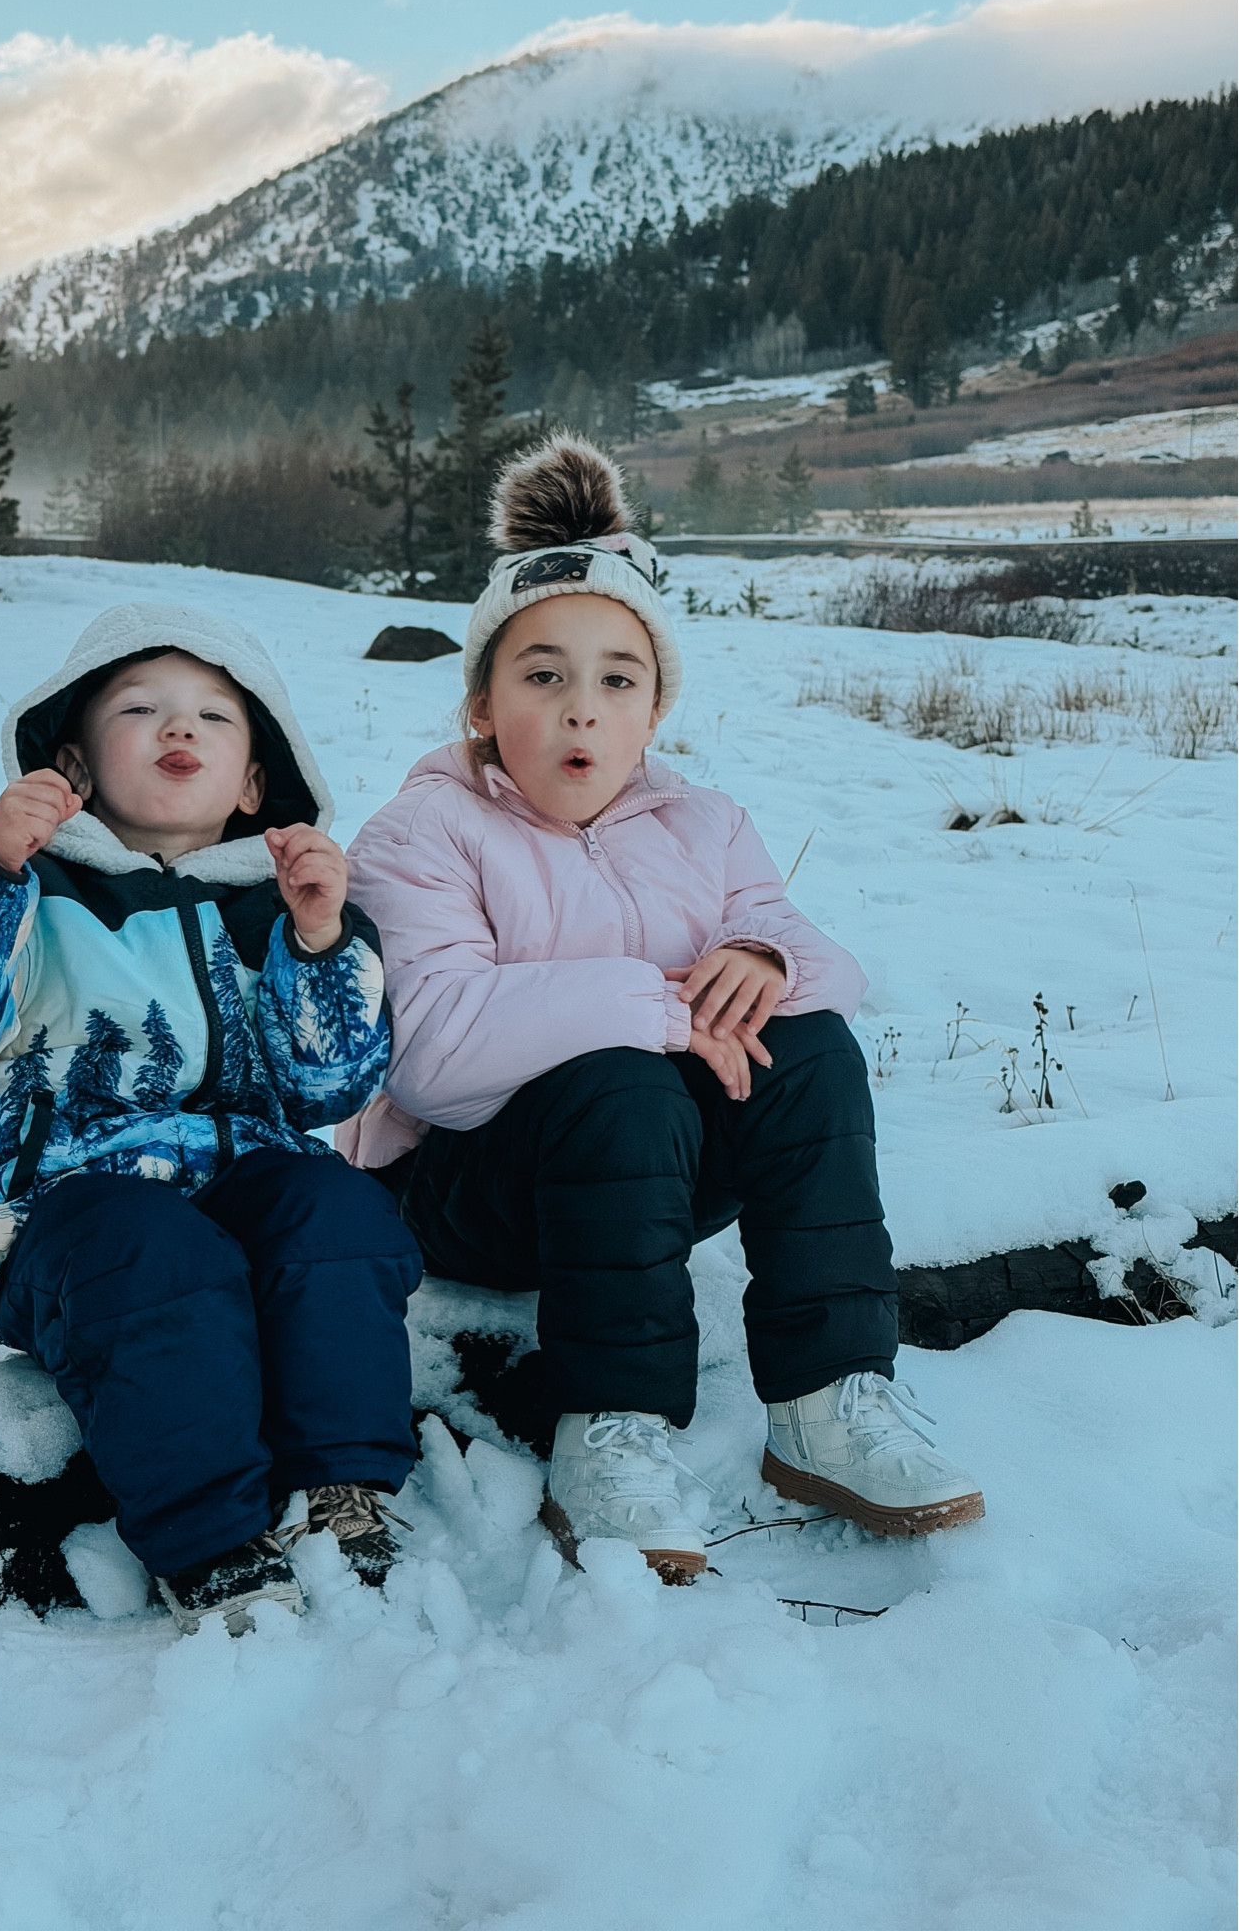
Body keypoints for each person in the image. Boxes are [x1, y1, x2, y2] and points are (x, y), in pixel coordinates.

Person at [341, 435, 983, 1583]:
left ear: (652, 713)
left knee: (812, 1047)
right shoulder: (422, 832)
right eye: (541, 675)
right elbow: (432, 1053)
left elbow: (823, 959)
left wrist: (756, 962)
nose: (580, 712)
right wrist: (657, 1006)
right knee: (622, 1078)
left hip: (652, 1181)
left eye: (615, 681)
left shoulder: (702, 823)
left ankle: (830, 1395)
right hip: (470, 1190)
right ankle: (612, 1423)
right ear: (482, 702)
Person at [0, 602, 422, 1631]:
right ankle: (209, 1538)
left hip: (240, 1192)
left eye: (214, 715)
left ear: (254, 779)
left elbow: (328, 1087)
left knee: (335, 1206)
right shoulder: (18, 882)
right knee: (149, 1243)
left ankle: (341, 1488)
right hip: (60, 1221)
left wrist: (318, 939)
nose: (180, 729)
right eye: (142, 707)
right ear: (72, 756)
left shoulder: (274, 907)